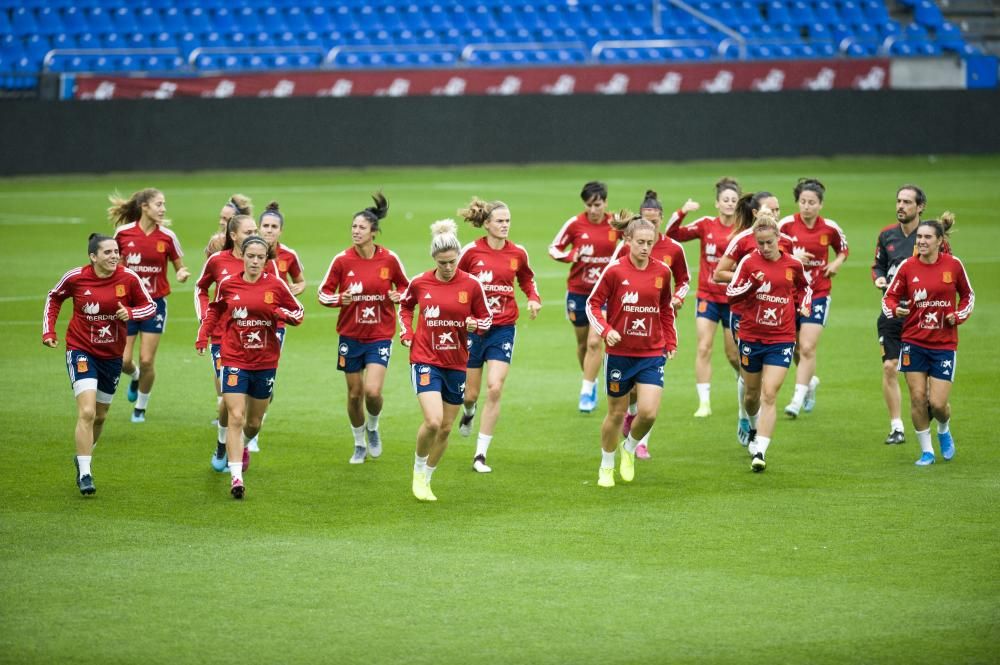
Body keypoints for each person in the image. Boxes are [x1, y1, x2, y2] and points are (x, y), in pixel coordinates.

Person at [43, 233, 156, 495]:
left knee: (101, 415)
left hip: (112, 356)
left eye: (116, 251)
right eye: (107, 252)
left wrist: (130, 313)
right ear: (93, 257)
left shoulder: (128, 278)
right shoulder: (76, 277)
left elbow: (149, 306)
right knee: (87, 412)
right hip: (81, 350)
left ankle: (83, 456)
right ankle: (85, 473)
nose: (114, 256)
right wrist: (49, 332)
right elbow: (54, 297)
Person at [196, 235, 304, 498]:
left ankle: (241, 446)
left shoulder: (276, 285)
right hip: (233, 357)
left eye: (260, 257)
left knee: (253, 422)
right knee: (235, 416)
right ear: (242, 256)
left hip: (265, 360)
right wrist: (203, 334)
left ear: (267, 260)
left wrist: (280, 314)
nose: (255, 261)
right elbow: (215, 310)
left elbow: (299, 313)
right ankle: (236, 477)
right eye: (250, 256)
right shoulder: (228, 284)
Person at [398, 219, 492, 501]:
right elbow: (405, 305)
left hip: (456, 361)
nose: (448, 268)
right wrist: (408, 331)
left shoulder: (472, 285)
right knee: (433, 420)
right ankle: (417, 470)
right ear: (434, 260)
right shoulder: (420, 282)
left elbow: (487, 318)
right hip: (425, 358)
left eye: (452, 261)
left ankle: (426, 478)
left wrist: (477, 324)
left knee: (447, 427)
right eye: (443, 263)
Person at [586, 210, 677, 488]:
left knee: (648, 412)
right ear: (627, 240)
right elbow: (592, 304)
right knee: (616, 413)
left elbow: (665, 309)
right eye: (640, 242)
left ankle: (630, 447)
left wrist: (670, 341)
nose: (646, 248)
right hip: (620, 354)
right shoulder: (615, 271)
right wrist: (606, 330)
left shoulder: (662, 272)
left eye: (650, 243)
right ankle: (606, 465)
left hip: (651, 352)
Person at [318, 193, 409, 464]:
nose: (356, 232)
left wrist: (398, 295)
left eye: (361, 228)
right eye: (353, 227)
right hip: (350, 335)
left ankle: (373, 427)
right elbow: (323, 293)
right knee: (355, 393)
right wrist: (339, 299)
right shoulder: (342, 261)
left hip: (379, 335)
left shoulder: (389, 260)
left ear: (373, 232)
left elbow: (406, 286)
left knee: (372, 392)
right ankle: (359, 442)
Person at [456, 197, 542, 473]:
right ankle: (468, 413)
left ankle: (480, 454)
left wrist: (533, 298)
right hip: (473, 329)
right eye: (500, 221)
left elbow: (527, 278)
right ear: (487, 224)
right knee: (470, 394)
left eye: (508, 221)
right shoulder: (470, 253)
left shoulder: (517, 253)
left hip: (503, 328)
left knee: (494, 387)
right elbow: (454, 282)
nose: (505, 225)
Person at [882, 215, 973, 466]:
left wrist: (959, 315)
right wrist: (895, 310)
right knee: (918, 398)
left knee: (938, 403)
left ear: (939, 241)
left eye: (927, 237)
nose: (921, 241)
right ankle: (927, 451)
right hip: (913, 341)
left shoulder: (953, 265)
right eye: (919, 237)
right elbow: (889, 298)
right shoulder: (908, 267)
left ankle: (943, 429)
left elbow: (968, 296)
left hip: (944, 344)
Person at [727, 207, 812, 472]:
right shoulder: (749, 263)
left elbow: (805, 288)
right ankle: (752, 427)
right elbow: (731, 293)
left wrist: (804, 305)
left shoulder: (792, 265)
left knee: (769, 393)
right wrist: (752, 284)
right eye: (760, 243)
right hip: (751, 335)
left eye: (769, 242)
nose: (765, 247)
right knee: (751, 394)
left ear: (778, 237)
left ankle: (760, 451)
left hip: (782, 338)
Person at [614, 190, 690, 460]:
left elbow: (683, 281)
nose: (651, 227)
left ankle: (641, 441)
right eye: (645, 221)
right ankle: (630, 414)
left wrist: (678, 298)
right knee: (633, 389)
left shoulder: (673, 250)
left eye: (655, 222)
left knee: (649, 394)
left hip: (657, 331)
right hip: (626, 332)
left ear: (661, 219)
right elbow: (611, 281)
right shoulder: (626, 249)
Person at [872, 185, 947, 444]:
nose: (900, 206)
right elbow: (878, 266)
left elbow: (946, 274)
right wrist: (880, 280)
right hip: (892, 314)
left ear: (920, 207)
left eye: (906, 202)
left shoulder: (930, 237)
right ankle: (896, 427)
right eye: (898, 201)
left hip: (922, 318)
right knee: (890, 366)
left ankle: (932, 414)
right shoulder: (887, 235)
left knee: (923, 387)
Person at [108, 188, 189, 423]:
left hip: (154, 304)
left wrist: (182, 273)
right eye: (159, 204)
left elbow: (179, 266)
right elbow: (113, 262)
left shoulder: (167, 237)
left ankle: (140, 408)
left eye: (164, 204)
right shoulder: (123, 234)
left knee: (146, 360)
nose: (163, 209)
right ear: (144, 206)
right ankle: (134, 377)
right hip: (128, 305)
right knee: (123, 361)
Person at [664, 177, 741, 417]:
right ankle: (704, 403)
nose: (729, 203)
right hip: (707, 297)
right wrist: (682, 211)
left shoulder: (743, 229)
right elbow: (672, 234)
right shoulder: (707, 224)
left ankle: (745, 379)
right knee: (704, 347)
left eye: (733, 200)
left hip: (733, 300)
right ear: (717, 203)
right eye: (725, 200)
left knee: (732, 353)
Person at [714, 191, 786, 445]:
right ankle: (744, 416)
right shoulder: (743, 240)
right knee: (745, 371)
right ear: (756, 214)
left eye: (778, 210)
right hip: (744, 316)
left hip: (777, 318)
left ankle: (759, 430)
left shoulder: (783, 239)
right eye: (770, 210)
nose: (776, 215)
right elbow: (719, 272)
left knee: (769, 383)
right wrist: (747, 278)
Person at [195, 214, 260, 473]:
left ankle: (238, 442)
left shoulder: (262, 260)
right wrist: (204, 320)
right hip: (222, 339)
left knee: (250, 412)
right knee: (230, 402)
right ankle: (224, 446)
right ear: (233, 236)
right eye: (248, 231)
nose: (254, 235)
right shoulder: (218, 261)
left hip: (255, 343)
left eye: (256, 230)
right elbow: (200, 289)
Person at [778, 178, 849, 418]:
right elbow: (770, 249)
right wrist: (792, 255)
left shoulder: (829, 228)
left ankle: (796, 400)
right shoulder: (786, 225)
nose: (806, 206)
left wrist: (837, 262)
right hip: (790, 294)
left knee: (807, 346)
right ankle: (810, 382)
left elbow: (843, 249)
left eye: (812, 202)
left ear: (820, 205)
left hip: (817, 293)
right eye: (803, 202)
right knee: (795, 346)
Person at [548, 181, 620, 413]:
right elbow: (554, 248)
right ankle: (592, 380)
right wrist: (571, 256)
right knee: (581, 344)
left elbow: (631, 244)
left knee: (593, 341)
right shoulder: (575, 224)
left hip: (605, 293)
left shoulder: (616, 223)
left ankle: (586, 392)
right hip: (578, 292)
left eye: (598, 204)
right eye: (589, 205)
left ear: (605, 202)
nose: (594, 209)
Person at [253, 201, 306, 452]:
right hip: (247, 322)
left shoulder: (289, 256)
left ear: (281, 230)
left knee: (266, 376)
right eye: (265, 225)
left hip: (276, 325)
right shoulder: (250, 252)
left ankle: (253, 431)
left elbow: (300, 281)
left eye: (274, 226)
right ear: (258, 227)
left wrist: (298, 288)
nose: (269, 230)